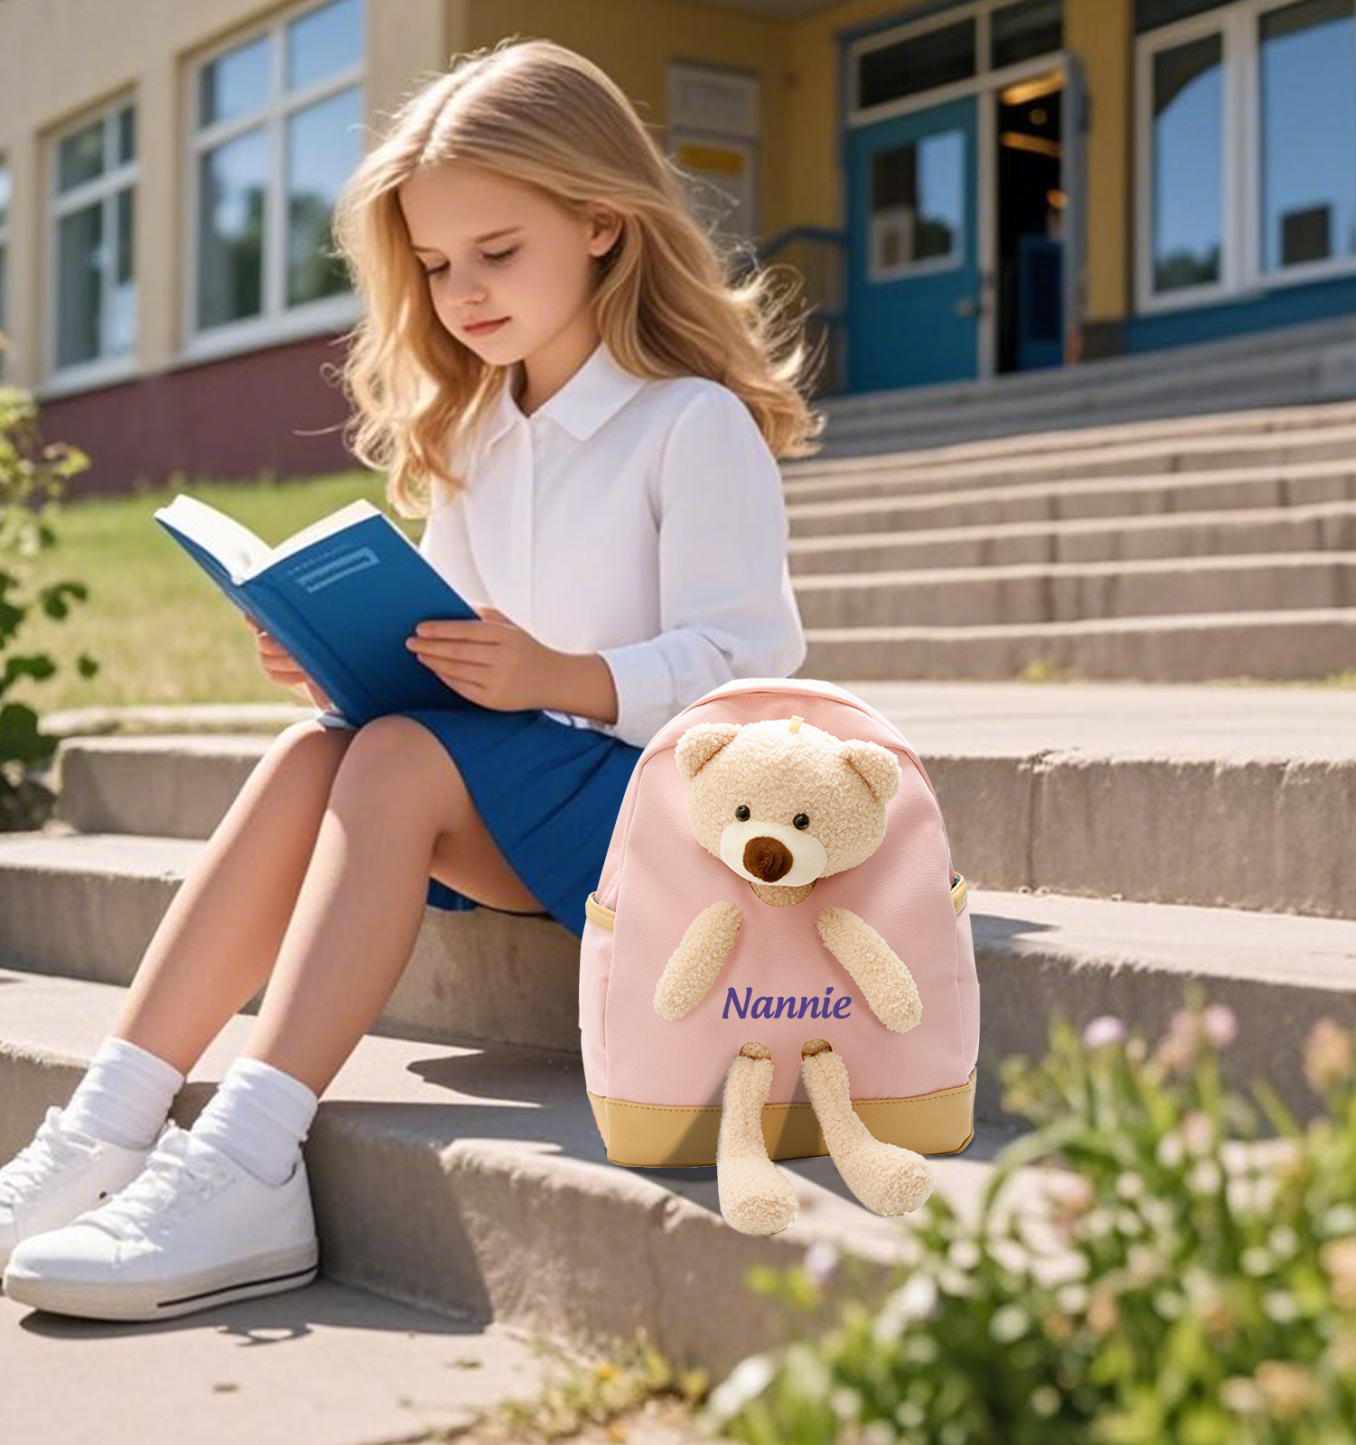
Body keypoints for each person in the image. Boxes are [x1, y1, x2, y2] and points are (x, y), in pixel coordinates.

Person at [0, 34, 822, 1322]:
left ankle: (249, 1159)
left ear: (604, 224)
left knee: (390, 757)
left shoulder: (689, 422)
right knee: (323, 750)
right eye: (436, 266)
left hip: (673, 825)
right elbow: (442, 653)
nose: (462, 291)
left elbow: (752, 664)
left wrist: (566, 673)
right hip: (523, 816)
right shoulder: (477, 435)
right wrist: (336, 659)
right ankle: (103, 1126)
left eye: (497, 253)